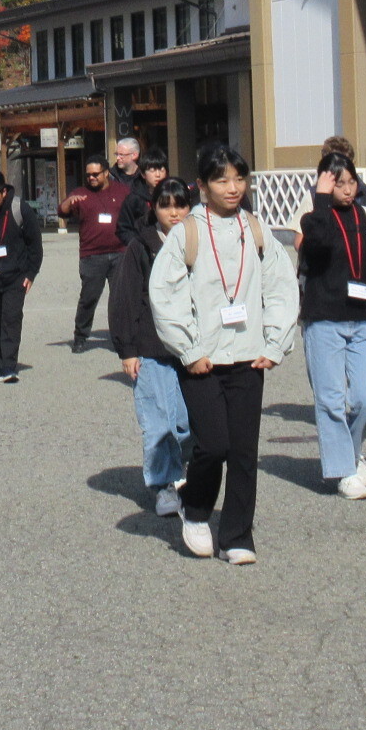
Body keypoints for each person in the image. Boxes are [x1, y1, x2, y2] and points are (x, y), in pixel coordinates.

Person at [149, 145, 300, 565]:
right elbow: (165, 294)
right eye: (221, 180)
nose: (233, 188)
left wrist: (275, 342)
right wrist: (190, 348)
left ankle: (237, 535)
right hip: (203, 359)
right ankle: (195, 509)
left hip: (249, 355)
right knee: (213, 445)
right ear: (202, 186)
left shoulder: (255, 229)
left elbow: (281, 286)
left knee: (245, 452)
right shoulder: (187, 233)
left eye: (239, 179)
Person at [296, 151, 366, 501]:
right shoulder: (315, 219)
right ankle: (343, 471)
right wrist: (321, 199)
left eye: (351, 181)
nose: (347, 189)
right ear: (324, 184)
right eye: (337, 182)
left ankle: (352, 454)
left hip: (364, 320)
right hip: (324, 319)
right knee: (330, 399)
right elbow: (319, 246)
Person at [109, 177, 194, 517]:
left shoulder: (198, 243)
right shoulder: (142, 246)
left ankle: (182, 470)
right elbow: (125, 298)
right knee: (159, 422)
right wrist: (127, 349)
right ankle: (163, 485)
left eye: (180, 205)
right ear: (154, 208)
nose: (174, 213)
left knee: (189, 424)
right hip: (151, 346)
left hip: (191, 349)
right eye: (165, 205)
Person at [0, 169, 43, 382]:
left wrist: (30, 273)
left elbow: (35, 244)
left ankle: (8, 367)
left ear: (3, 192)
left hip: (15, 277)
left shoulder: (19, 208)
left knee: (11, 320)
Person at [60, 157, 133, 352]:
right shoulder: (80, 193)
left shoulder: (123, 191)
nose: (91, 178)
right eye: (88, 175)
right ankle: (80, 336)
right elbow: (62, 211)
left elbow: (136, 212)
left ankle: (121, 339)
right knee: (89, 298)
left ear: (106, 172)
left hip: (120, 253)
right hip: (92, 255)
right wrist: (69, 201)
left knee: (119, 299)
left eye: (95, 174)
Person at [117, 145, 168, 237]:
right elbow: (123, 229)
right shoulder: (134, 198)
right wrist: (138, 245)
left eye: (161, 170)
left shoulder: (172, 195)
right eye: (152, 170)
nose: (158, 175)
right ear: (143, 174)